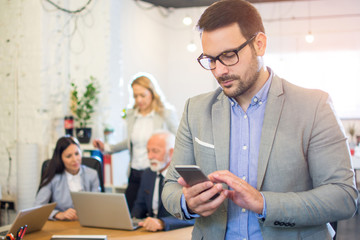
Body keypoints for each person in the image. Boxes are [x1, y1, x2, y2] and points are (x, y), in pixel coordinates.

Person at [162, 0, 358, 239]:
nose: (219, 70)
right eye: (211, 59)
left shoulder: (314, 106)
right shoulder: (196, 109)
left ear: (259, 44)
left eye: (228, 55)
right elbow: (170, 186)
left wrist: (263, 202)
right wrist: (187, 203)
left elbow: (344, 197)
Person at [93, 73, 178, 211]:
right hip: (135, 171)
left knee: (153, 213)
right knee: (129, 213)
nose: (139, 100)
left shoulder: (165, 113)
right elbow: (131, 141)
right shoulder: (132, 114)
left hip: (154, 172)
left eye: (142, 95)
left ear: (152, 93)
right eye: (135, 96)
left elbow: (179, 139)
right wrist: (107, 147)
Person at [131, 130, 195, 232]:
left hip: (175, 233)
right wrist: (132, 221)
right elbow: (139, 205)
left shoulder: (185, 177)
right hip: (150, 232)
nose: (149, 156)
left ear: (171, 153)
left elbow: (194, 218)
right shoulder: (148, 174)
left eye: (155, 151)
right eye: (148, 151)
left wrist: (162, 222)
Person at [34, 136, 100, 220]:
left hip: (88, 223)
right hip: (62, 226)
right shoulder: (53, 177)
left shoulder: (92, 174)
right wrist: (57, 214)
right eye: (69, 156)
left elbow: (97, 205)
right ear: (60, 159)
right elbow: (37, 207)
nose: (75, 159)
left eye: (77, 154)